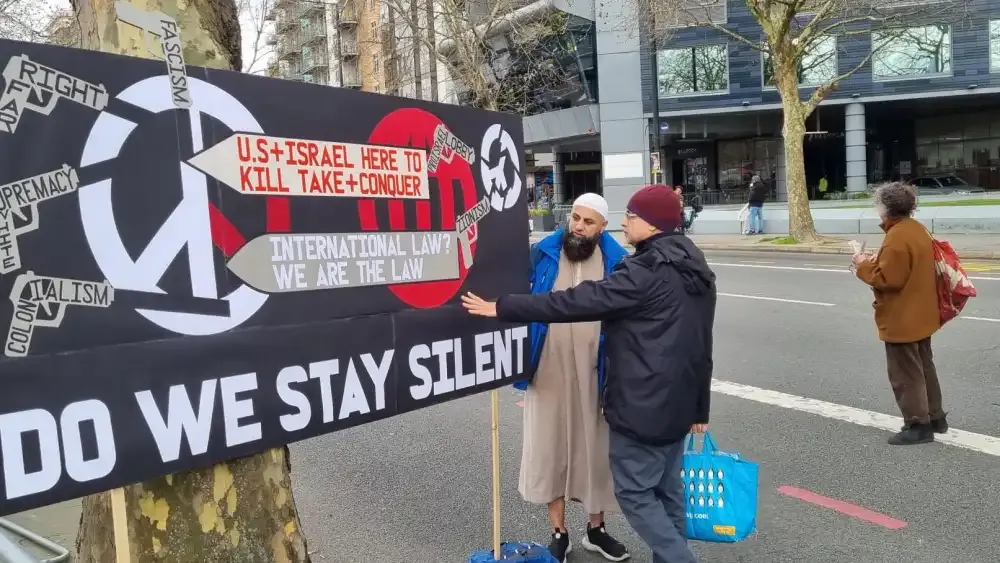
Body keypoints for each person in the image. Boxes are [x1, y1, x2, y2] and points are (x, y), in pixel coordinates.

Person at [463, 184, 717, 563]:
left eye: (630, 216)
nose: (625, 222)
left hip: (639, 401)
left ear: (650, 224)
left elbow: (581, 300)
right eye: (576, 218)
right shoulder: (696, 266)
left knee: (632, 490)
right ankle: (568, 533)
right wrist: (700, 408)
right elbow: (702, 344)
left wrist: (503, 307)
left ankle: (674, 557)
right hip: (673, 403)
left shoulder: (639, 270)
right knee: (667, 491)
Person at [515, 193, 630, 562]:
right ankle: (558, 532)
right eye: (575, 218)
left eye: (588, 222)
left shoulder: (618, 262)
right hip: (547, 366)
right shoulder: (543, 253)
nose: (578, 226)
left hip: (596, 371)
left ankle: (595, 530)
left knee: (594, 450)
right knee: (550, 448)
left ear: (603, 227)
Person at [853, 181, 945, 446]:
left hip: (901, 316)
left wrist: (861, 265)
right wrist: (877, 261)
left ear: (885, 207)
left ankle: (918, 424)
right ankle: (936, 416)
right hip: (922, 313)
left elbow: (888, 280)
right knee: (924, 366)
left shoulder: (896, 238)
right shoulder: (916, 230)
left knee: (905, 373)